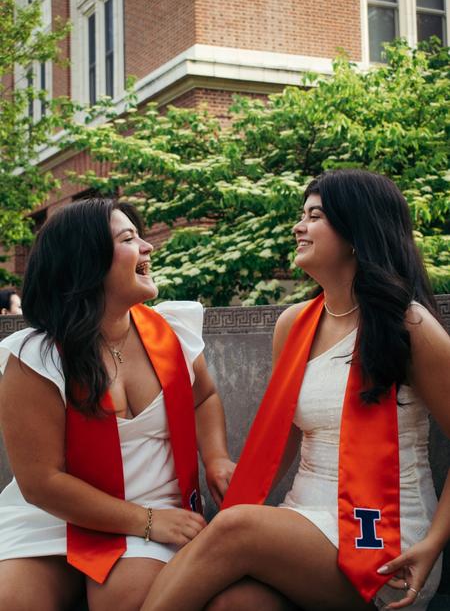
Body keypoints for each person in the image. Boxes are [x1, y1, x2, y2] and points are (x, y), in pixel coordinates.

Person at [140, 169, 450, 611]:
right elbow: (284, 432)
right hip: (303, 520)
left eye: (314, 216)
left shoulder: (409, 325)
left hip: (387, 538)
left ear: (357, 232)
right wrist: (235, 476)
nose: (298, 227)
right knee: (233, 604)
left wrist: (434, 543)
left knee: (235, 527)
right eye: (302, 215)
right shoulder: (295, 324)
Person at [0, 198, 237, 611]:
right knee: (13, 600)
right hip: (55, 515)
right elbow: (41, 483)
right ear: (86, 261)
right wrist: (146, 521)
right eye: (129, 239)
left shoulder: (173, 333)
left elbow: (205, 397)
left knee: (127, 599)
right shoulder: (35, 358)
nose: (147, 247)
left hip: (156, 507)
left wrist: (216, 458)